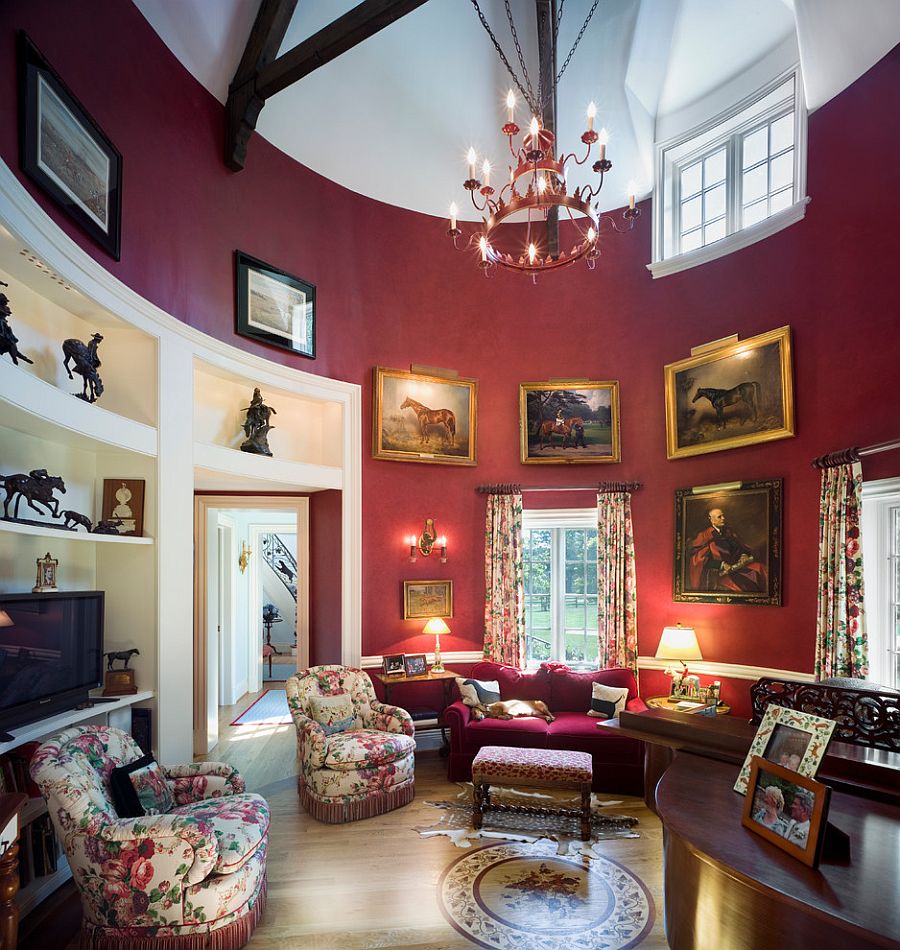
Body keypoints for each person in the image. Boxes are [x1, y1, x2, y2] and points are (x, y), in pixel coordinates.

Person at [688, 507, 768, 593]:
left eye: (723, 516)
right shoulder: (705, 536)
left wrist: (743, 555)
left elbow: (740, 547)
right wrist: (722, 564)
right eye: (720, 517)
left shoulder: (728, 531)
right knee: (749, 583)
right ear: (711, 520)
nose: (723, 518)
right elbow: (700, 561)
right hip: (721, 573)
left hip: (737, 566)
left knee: (761, 568)